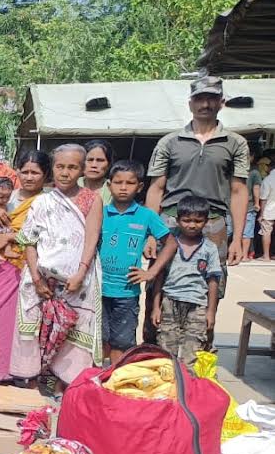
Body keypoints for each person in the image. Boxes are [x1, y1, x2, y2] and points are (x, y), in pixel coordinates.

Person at [10, 144, 103, 395]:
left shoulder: (91, 200)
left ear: (82, 170)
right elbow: (29, 240)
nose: (65, 172)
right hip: (40, 278)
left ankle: (66, 383)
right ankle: (30, 381)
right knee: (34, 326)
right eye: (60, 166)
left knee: (73, 328)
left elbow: (91, 238)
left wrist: (81, 273)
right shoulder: (41, 201)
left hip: (77, 280)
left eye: (72, 167)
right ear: (52, 168)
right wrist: (37, 278)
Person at [145, 76, 249, 276]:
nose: (205, 104)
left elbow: (238, 191)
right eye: (199, 98)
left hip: (213, 222)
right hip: (171, 221)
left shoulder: (235, 143)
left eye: (211, 98)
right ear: (190, 104)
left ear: (221, 103)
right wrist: (150, 234)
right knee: (160, 284)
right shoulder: (169, 142)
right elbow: (156, 188)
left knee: (210, 286)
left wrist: (237, 238)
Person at [0, 153, 50, 384]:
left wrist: (11, 236)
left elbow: (50, 234)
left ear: (45, 175)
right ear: (16, 172)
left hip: (26, 267)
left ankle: (11, 372)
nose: (29, 177)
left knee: (15, 323)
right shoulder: (7, 196)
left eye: (35, 172)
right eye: (24, 171)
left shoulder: (48, 201)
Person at [98, 160, 176, 366]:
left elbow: (170, 244)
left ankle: (115, 378)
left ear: (139, 187)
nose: (123, 187)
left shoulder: (146, 215)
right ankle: (97, 380)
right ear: (109, 185)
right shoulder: (100, 213)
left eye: (130, 183)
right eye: (118, 182)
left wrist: (150, 273)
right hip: (98, 289)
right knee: (99, 339)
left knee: (121, 342)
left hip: (127, 293)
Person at [151, 196, 222, 365]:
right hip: (170, 302)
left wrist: (211, 311)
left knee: (193, 351)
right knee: (166, 352)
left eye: (198, 221)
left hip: (197, 305)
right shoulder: (170, 246)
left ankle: (189, 388)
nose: (192, 225)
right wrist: (156, 307)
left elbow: (213, 281)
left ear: (206, 222)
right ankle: (172, 388)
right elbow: (159, 276)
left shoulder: (209, 248)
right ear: (177, 220)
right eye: (186, 220)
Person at [81, 139, 114, 206]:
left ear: (109, 164)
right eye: (90, 160)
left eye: (100, 160)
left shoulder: (115, 188)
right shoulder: (71, 184)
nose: (94, 165)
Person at [244, 147, 263, 260]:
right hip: (249, 206)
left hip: (230, 205)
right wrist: (257, 203)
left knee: (229, 231)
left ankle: (225, 253)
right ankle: (244, 255)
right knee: (247, 232)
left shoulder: (230, 169)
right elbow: (256, 188)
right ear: (252, 157)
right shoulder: (254, 172)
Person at [261, 166, 275, 261]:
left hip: (269, 210)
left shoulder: (268, 179)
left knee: (266, 233)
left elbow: (264, 198)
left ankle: (266, 256)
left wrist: (261, 213)